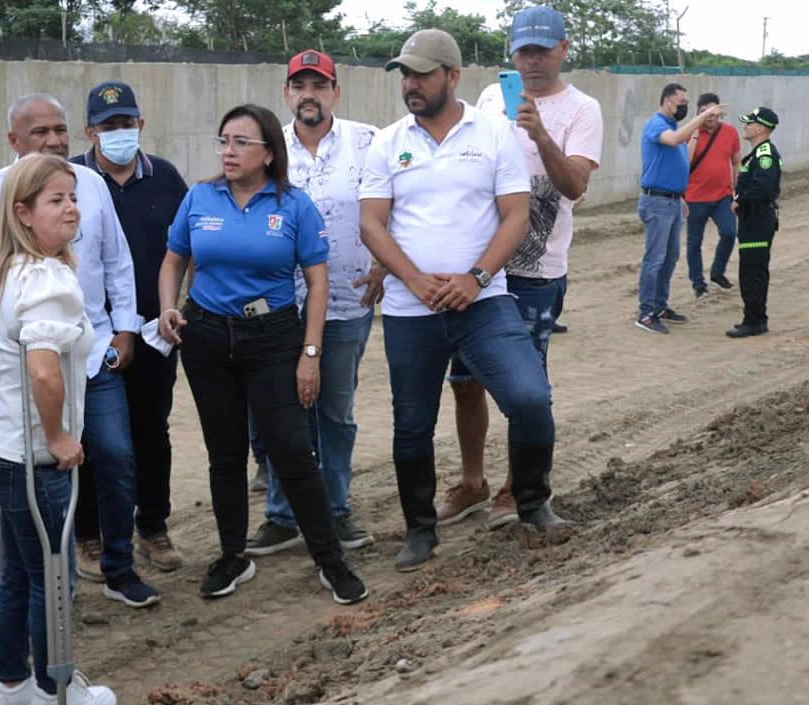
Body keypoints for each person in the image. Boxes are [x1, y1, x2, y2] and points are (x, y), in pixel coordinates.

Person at [360, 29, 571, 573]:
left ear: (452, 77)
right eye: (404, 74)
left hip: (483, 302)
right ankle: (419, 530)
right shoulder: (388, 142)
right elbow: (372, 223)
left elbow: (516, 214)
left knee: (529, 398)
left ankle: (531, 502)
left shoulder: (495, 133)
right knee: (411, 423)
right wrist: (414, 280)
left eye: (421, 74)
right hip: (412, 311)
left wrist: (477, 278)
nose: (410, 84)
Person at [0, 93, 159, 608]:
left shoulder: (89, 185)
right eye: (40, 131)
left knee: (114, 454)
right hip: (30, 363)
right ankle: (50, 583)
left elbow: (117, 259)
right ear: (13, 141)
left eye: (60, 129)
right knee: (41, 467)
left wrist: (125, 329)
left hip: (91, 354)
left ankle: (118, 566)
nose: (53, 139)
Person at [158, 104, 368, 605]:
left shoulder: (294, 206)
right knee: (225, 454)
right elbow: (173, 259)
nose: (228, 152)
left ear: (268, 152)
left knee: (292, 450)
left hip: (273, 337)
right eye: (223, 140)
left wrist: (310, 353)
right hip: (207, 338)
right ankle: (233, 555)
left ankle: (329, 560)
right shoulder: (200, 198)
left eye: (241, 143)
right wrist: (168, 307)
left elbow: (317, 284)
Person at [437, 6, 603, 528]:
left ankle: (517, 489)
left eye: (542, 50)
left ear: (564, 49)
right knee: (465, 379)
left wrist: (540, 135)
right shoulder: (489, 98)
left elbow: (576, 186)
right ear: (511, 54)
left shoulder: (583, 109)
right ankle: (473, 482)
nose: (531, 61)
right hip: (482, 263)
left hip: (537, 269)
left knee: (525, 387)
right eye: (523, 51)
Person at [0, 153, 116, 705]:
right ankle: (53, 690)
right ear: (23, 213)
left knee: (18, 573)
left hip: (4, 451)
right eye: (56, 200)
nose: (72, 210)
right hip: (35, 460)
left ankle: (8, 684)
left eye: (74, 198)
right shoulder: (48, 278)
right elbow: (42, 368)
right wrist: (59, 436)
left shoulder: (11, 270)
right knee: (53, 578)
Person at [244, 50, 385, 557]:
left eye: (319, 85)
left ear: (336, 92)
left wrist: (386, 265)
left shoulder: (369, 142)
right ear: (286, 94)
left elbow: (395, 207)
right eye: (299, 85)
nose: (310, 94)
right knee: (285, 412)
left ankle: (336, 509)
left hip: (348, 298)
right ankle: (283, 516)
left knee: (335, 411)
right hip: (280, 305)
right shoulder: (266, 148)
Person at [71, 81, 189, 574]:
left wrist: (177, 307)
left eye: (126, 123)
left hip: (154, 330)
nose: (119, 132)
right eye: (108, 125)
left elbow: (185, 245)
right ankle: (89, 533)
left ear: (140, 124)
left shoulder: (165, 178)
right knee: (91, 436)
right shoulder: (70, 179)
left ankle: (152, 525)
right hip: (90, 334)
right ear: (90, 130)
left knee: (150, 429)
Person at [634, 82, 724, 334]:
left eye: (686, 103)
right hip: (657, 202)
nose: (684, 107)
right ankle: (646, 312)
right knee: (655, 258)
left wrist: (679, 196)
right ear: (666, 101)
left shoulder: (674, 125)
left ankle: (660, 306)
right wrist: (702, 117)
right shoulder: (658, 125)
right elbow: (673, 141)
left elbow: (678, 159)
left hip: (672, 200)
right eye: (680, 103)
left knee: (670, 256)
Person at [727, 107, 782, 339]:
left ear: (760, 128)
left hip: (758, 220)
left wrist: (740, 199)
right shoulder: (759, 152)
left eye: (749, 123)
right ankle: (755, 318)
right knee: (751, 270)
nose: (745, 127)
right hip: (754, 220)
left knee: (752, 272)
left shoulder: (765, 153)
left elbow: (764, 187)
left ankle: (754, 321)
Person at [684, 92, 741, 298]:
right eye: (706, 112)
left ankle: (717, 272)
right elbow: (686, 163)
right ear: (698, 113)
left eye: (714, 112)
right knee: (694, 242)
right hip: (694, 197)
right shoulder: (690, 132)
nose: (711, 117)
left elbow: (736, 160)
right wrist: (696, 131)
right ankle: (698, 283)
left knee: (729, 232)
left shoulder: (730, 132)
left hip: (722, 196)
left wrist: (737, 185)